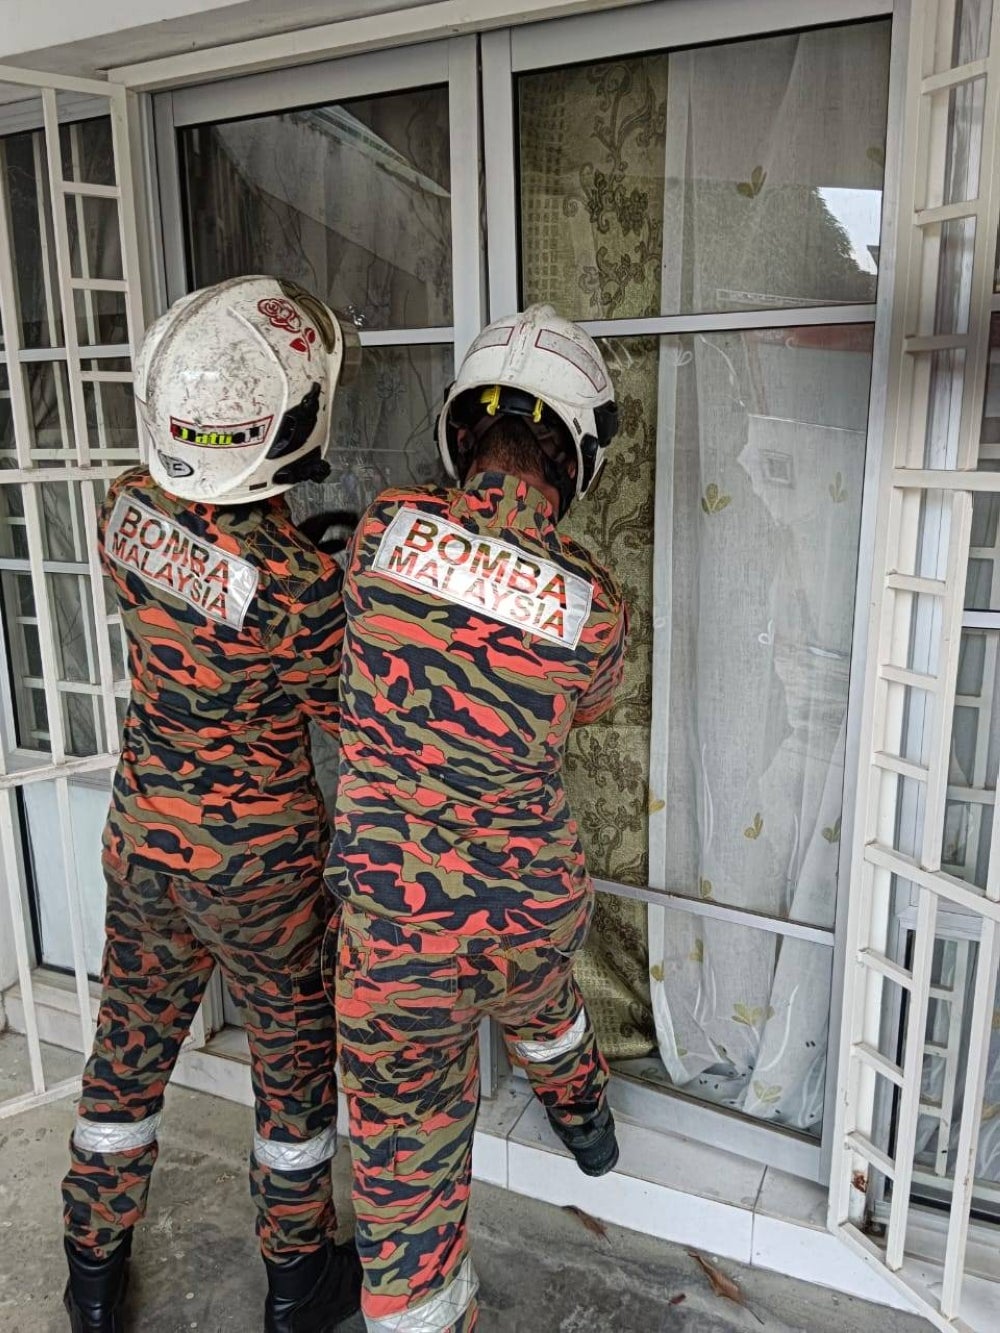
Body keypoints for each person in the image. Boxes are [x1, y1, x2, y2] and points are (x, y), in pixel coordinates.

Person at [61, 276, 363, 1333]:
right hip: (262, 874)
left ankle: (91, 1279)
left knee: (125, 1060)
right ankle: (296, 1283)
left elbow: (199, 577)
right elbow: (348, 708)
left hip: (143, 841)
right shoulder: (300, 589)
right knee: (291, 1077)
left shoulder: (120, 506)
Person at [326, 304, 627, 1332]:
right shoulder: (596, 601)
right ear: (575, 453)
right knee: (543, 1004)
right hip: (527, 906)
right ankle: (589, 1130)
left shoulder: (382, 528)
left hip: (398, 939)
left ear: (463, 429)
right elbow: (588, 701)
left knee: (406, 1175)